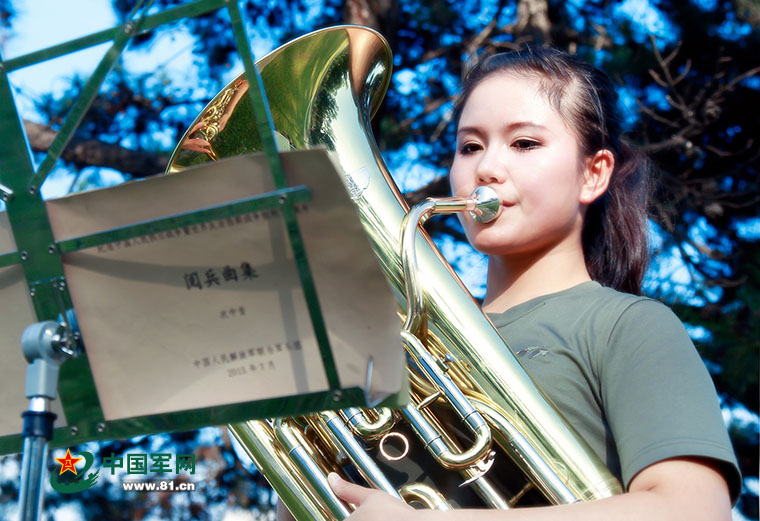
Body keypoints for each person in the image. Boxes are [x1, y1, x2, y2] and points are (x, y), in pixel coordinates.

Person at [323, 47, 741, 520]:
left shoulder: (628, 325)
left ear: (592, 173)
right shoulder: (399, 343)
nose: (486, 168)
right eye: (469, 146)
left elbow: (693, 510)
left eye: (524, 144)